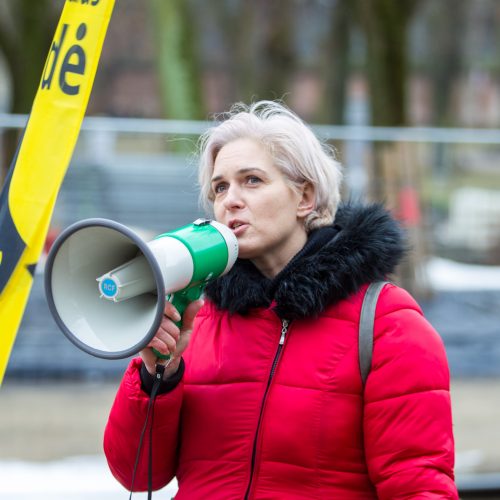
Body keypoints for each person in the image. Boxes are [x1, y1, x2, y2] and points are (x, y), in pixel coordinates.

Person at [104, 101, 458, 499]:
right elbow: (137, 475)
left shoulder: (386, 323)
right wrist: (158, 378)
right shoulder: (197, 317)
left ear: (304, 197)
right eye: (220, 187)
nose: (230, 201)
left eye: (252, 180)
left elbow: (418, 484)